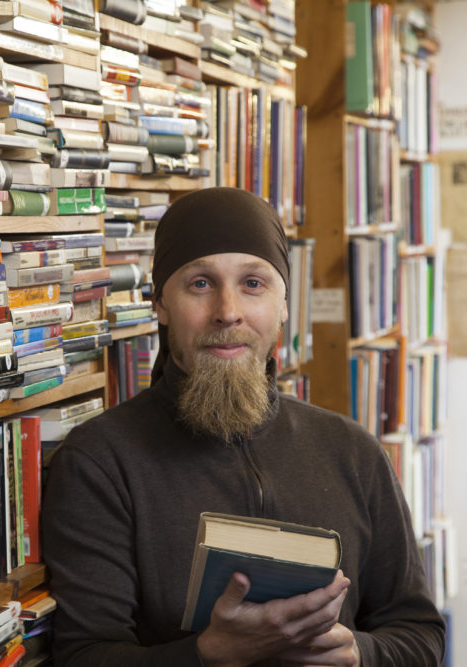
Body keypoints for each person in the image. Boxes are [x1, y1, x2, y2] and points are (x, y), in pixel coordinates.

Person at [42, 188, 446, 666]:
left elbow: (421, 636)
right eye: (200, 284)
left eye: (253, 284)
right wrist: (208, 656)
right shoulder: (101, 461)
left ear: (283, 305)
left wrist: (361, 653)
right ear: (161, 304)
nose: (227, 310)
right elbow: (81, 656)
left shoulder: (352, 452)